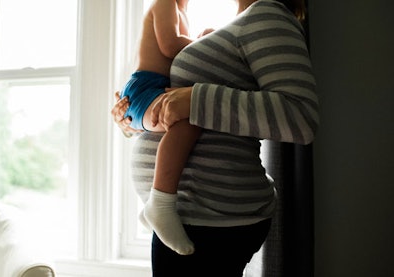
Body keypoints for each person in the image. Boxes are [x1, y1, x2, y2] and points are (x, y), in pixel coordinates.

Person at [112, 0, 318, 275]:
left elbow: (300, 117)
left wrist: (194, 100)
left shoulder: (266, 15)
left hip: (211, 220)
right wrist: (133, 122)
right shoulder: (234, 25)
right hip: (189, 214)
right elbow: (189, 108)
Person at [116, 0, 214, 255]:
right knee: (186, 119)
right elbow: (170, 45)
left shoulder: (183, 11)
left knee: (190, 116)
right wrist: (207, 43)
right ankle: (160, 203)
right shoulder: (165, 3)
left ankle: (157, 205)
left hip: (155, 87)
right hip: (145, 89)